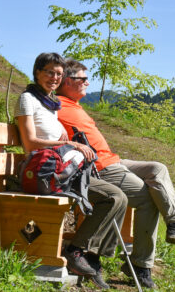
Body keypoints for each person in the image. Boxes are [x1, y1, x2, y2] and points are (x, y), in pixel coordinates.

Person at [56, 58, 175, 290]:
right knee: (149, 198)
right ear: (68, 81)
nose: (87, 82)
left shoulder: (74, 105)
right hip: (100, 168)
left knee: (158, 168)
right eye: (83, 78)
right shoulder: (57, 105)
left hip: (113, 160)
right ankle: (141, 265)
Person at [16, 52, 125, 289]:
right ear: (37, 72)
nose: (54, 78)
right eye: (49, 72)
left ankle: (89, 256)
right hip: (43, 173)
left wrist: (68, 142)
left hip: (61, 170)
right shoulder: (28, 99)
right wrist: (71, 145)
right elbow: (30, 144)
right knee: (114, 197)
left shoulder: (50, 103)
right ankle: (78, 252)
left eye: (58, 74)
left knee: (117, 197)